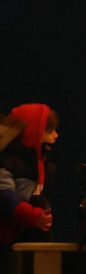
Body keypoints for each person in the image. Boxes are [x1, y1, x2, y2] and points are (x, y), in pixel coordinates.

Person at [0, 105, 57, 246]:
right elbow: (5, 196)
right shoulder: (8, 162)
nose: (56, 135)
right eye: (50, 130)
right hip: (6, 238)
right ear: (34, 132)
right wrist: (33, 215)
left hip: (25, 231)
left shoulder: (43, 165)